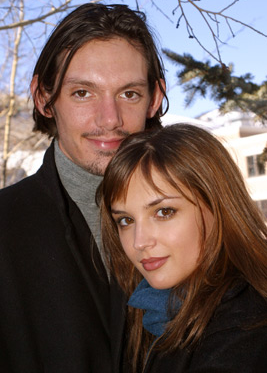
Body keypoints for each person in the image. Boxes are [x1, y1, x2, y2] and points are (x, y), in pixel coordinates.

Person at [0, 3, 168, 372]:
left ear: (154, 98)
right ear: (44, 97)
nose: (110, 119)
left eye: (129, 94)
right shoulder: (6, 229)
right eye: (82, 93)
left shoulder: (201, 217)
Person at [100, 123, 267, 373]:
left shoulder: (247, 327)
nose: (139, 241)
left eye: (164, 212)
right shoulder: (151, 310)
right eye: (126, 220)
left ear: (218, 206)